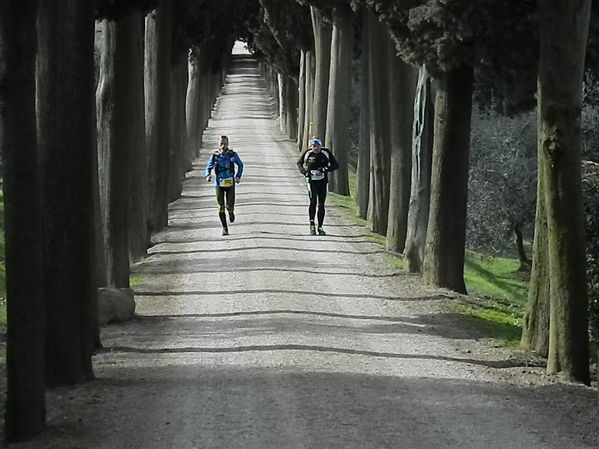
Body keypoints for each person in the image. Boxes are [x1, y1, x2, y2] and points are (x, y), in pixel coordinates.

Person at [297, 138, 339, 235]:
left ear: (321, 146)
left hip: (322, 182)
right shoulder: (308, 153)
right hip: (311, 181)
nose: (315, 148)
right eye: (313, 146)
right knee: (313, 202)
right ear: (311, 147)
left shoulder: (326, 152)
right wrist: (304, 172)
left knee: (321, 204)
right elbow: (299, 163)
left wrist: (325, 169)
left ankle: (320, 226)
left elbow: (336, 165)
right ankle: (312, 225)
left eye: (317, 146)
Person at [205, 135, 244, 235]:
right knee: (220, 206)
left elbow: (240, 164)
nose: (223, 146)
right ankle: (225, 228)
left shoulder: (232, 155)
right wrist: (208, 175)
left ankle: (231, 211)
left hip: (230, 184)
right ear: (218, 144)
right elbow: (208, 167)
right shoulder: (215, 156)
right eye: (221, 143)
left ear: (228, 144)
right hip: (219, 184)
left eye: (225, 144)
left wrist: (238, 176)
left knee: (229, 205)